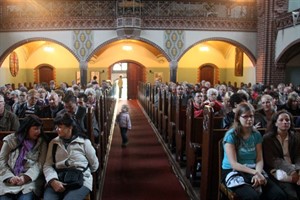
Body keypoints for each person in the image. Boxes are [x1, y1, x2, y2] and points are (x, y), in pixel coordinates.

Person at [221, 102, 287, 200]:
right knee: (251, 197)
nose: (249, 119)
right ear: (238, 118)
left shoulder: (256, 135)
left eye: (251, 116)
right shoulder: (231, 136)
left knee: (278, 195)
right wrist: (255, 173)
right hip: (234, 171)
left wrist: (258, 173)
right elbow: (234, 164)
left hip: (254, 169)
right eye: (245, 116)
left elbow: (259, 159)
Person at [43, 113, 99, 200]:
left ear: (70, 127)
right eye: (56, 127)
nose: (57, 129)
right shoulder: (53, 143)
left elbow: (94, 164)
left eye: (60, 127)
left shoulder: (84, 142)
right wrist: (52, 180)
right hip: (58, 178)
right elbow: (48, 165)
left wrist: (83, 173)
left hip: (80, 179)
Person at [0, 114, 47, 199]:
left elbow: (39, 164)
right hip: (9, 179)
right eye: (36, 129)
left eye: (40, 129)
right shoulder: (11, 139)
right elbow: (1, 160)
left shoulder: (41, 143)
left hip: (29, 182)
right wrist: (10, 177)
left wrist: (26, 177)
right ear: (27, 128)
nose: (39, 132)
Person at [263, 110, 300, 200]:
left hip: (295, 168)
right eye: (281, 120)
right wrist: (291, 171)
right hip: (278, 170)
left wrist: (299, 169)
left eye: (287, 120)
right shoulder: (268, 138)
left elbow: (298, 155)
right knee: (291, 195)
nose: (285, 122)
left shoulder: (295, 136)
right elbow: (273, 159)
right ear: (275, 123)